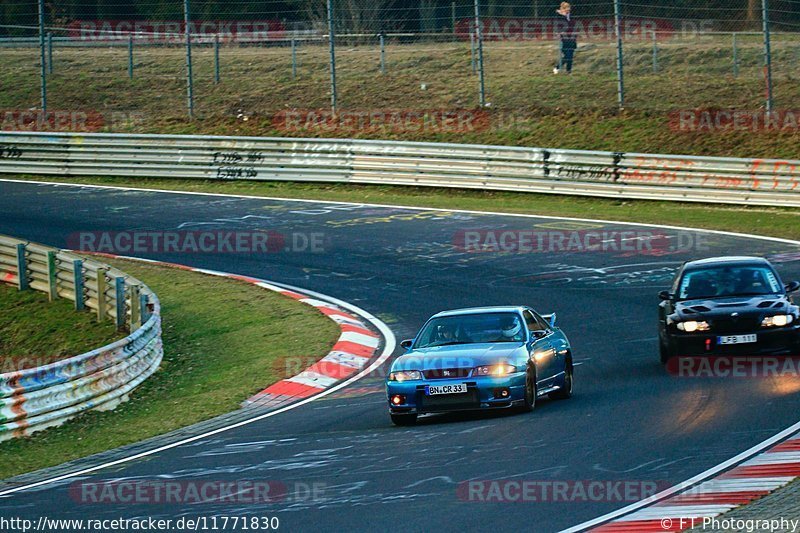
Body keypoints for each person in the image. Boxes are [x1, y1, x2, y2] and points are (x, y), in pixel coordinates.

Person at [554, 2, 577, 74]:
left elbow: (573, 25)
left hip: (572, 37)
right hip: (564, 38)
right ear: (562, 9)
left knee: (570, 55)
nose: (568, 10)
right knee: (567, 55)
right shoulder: (559, 17)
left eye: (569, 8)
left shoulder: (571, 16)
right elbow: (558, 26)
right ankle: (557, 67)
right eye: (566, 9)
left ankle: (568, 71)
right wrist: (562, 15)